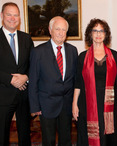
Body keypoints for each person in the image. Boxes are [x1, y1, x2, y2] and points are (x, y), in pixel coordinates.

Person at [72, 18, 117, 146]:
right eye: (95, 31)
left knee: (108, 136)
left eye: (102, 31)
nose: (98, 34)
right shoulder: (82, 57)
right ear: (90, 34)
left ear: (106, 34)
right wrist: (74, 103)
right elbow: (78, 82)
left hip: (110, 105)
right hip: (87, 104)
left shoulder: (114, 55)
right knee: (89, 136)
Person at [29, 16, 78, 146]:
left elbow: (74, 79)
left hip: (66, 104)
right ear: (50, 30)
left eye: (64, 30)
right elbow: (33, 81)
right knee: (48, 140)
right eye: (57, 29)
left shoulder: (73, 51)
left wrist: (75, 102)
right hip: (46, 105)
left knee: (66, 139)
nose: (61, 33)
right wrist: (35, 107)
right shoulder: (38, 52)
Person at [0, 2, 33, 146]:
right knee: (1, 138)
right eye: (9, 14)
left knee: (25, 136)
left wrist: (26, 77)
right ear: (2, 16)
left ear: (19, 18)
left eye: (16, 15)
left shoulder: (26, 38)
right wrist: (11, 79)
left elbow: (32, 65)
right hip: (1, 96)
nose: (12, 18)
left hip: (23, 95)